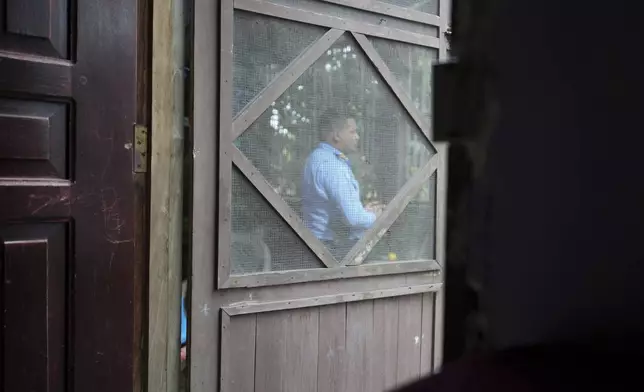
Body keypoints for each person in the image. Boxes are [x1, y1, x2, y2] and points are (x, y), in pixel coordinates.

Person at [301, 109, 383, 260]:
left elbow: (333, 206)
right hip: (328, 251)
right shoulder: (332, 165)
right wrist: (375, 216)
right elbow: (353, 219)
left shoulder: (316, 158)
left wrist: (362, 211)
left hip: (314, 245)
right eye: (352, 132)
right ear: (337, 135)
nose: (357, 137)